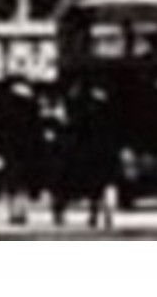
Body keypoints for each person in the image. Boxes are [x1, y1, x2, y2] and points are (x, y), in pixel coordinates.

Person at [52, 83, 122, 230]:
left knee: (87, 185)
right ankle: (102, 213)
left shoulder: (79, 108)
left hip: (87, 152)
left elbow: (73, 129)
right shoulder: (108, 110)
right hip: (104, 151)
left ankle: (93, 213)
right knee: (103, 185)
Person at [0, 80, 47, 226]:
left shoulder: (5, 105)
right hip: (27, 148)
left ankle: (14, 212)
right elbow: (38, 129)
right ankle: (21, 211)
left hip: (11, 148)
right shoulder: (32, 106)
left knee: (12, 180)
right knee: (24, 181)